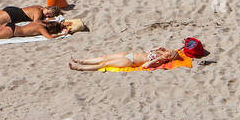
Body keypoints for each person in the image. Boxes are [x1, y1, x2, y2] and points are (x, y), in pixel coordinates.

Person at [68, 39, 205, 71]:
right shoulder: (163, 51)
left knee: (105, 64)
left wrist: (158, 59)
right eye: (170, 50)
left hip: (131, 62)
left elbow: (145, 65)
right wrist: (160, 49)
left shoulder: (160, 61)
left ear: (169, 58)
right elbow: (152, 49)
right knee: (105, 57)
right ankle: (82, 61)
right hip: (130, 54)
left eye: (170, 53)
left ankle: (80, 68)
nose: (168, 51)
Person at [0, 17, 84, 44]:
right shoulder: (42, 29)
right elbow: (49, 38)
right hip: (11, 32)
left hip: (9, 25)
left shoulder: (40, 22)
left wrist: (60, 23)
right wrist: (61, 34)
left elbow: (51, 20)